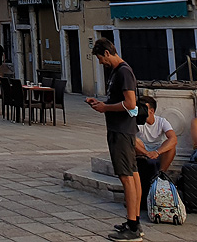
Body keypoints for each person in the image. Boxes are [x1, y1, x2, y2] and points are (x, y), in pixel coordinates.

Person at [86, 38, 142, 242]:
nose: (101, 63)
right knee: (133, 173)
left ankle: (133, 227)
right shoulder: (117, 72)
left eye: (101, 58)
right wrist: (102, 103)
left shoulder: (124, 72)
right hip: (121, 129)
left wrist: (105, 108)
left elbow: (130, 103)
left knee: (126, 176)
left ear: (108, 53)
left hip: (121, 130)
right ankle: (134, 221)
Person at [134, 95, 177, 193]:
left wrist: (157, 152)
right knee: (134, 140)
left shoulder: (161, 121)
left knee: (171, 146)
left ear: (151, 111)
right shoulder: (136, 121)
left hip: (157, 148)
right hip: (142, 149)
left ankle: (161, 173)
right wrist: (146, 152)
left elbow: (173, 138)